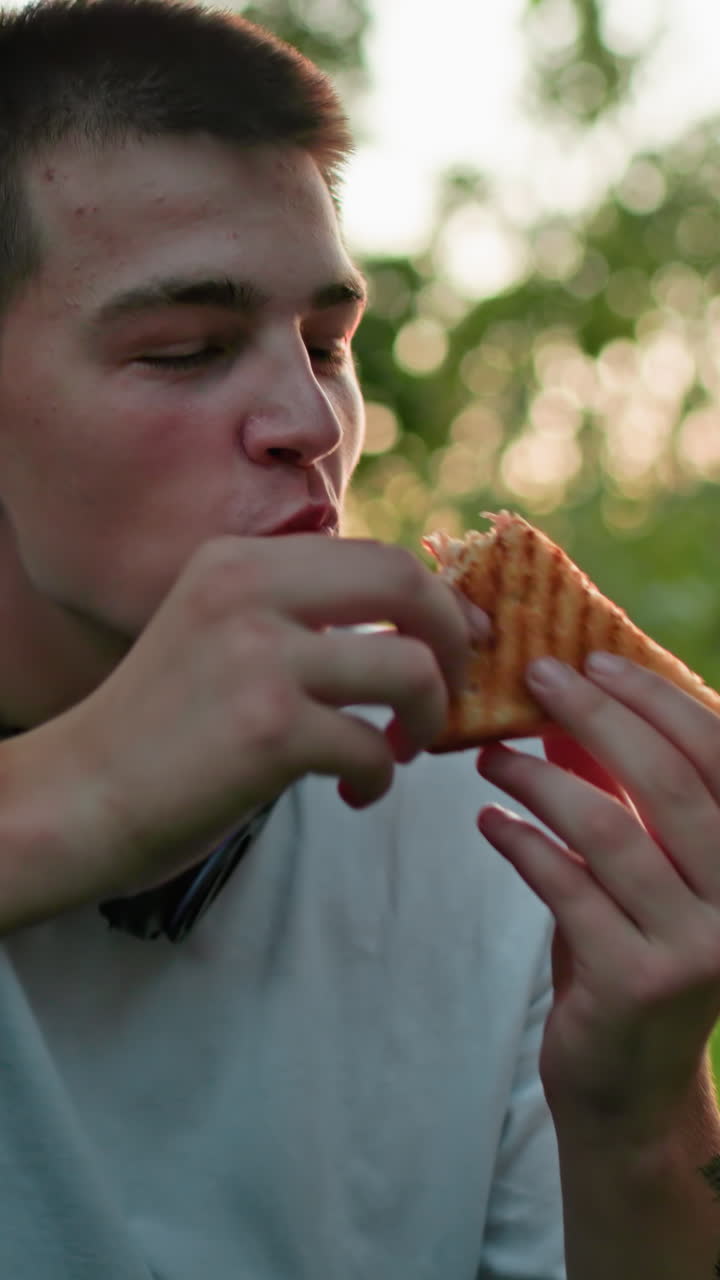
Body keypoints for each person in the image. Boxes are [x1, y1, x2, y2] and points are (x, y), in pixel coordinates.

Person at [0, 2, 718, 1277]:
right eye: (186, 350)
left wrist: (638, 1125)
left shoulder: (490, 824)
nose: (308, 418)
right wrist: (72, 804)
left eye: (329, 345)